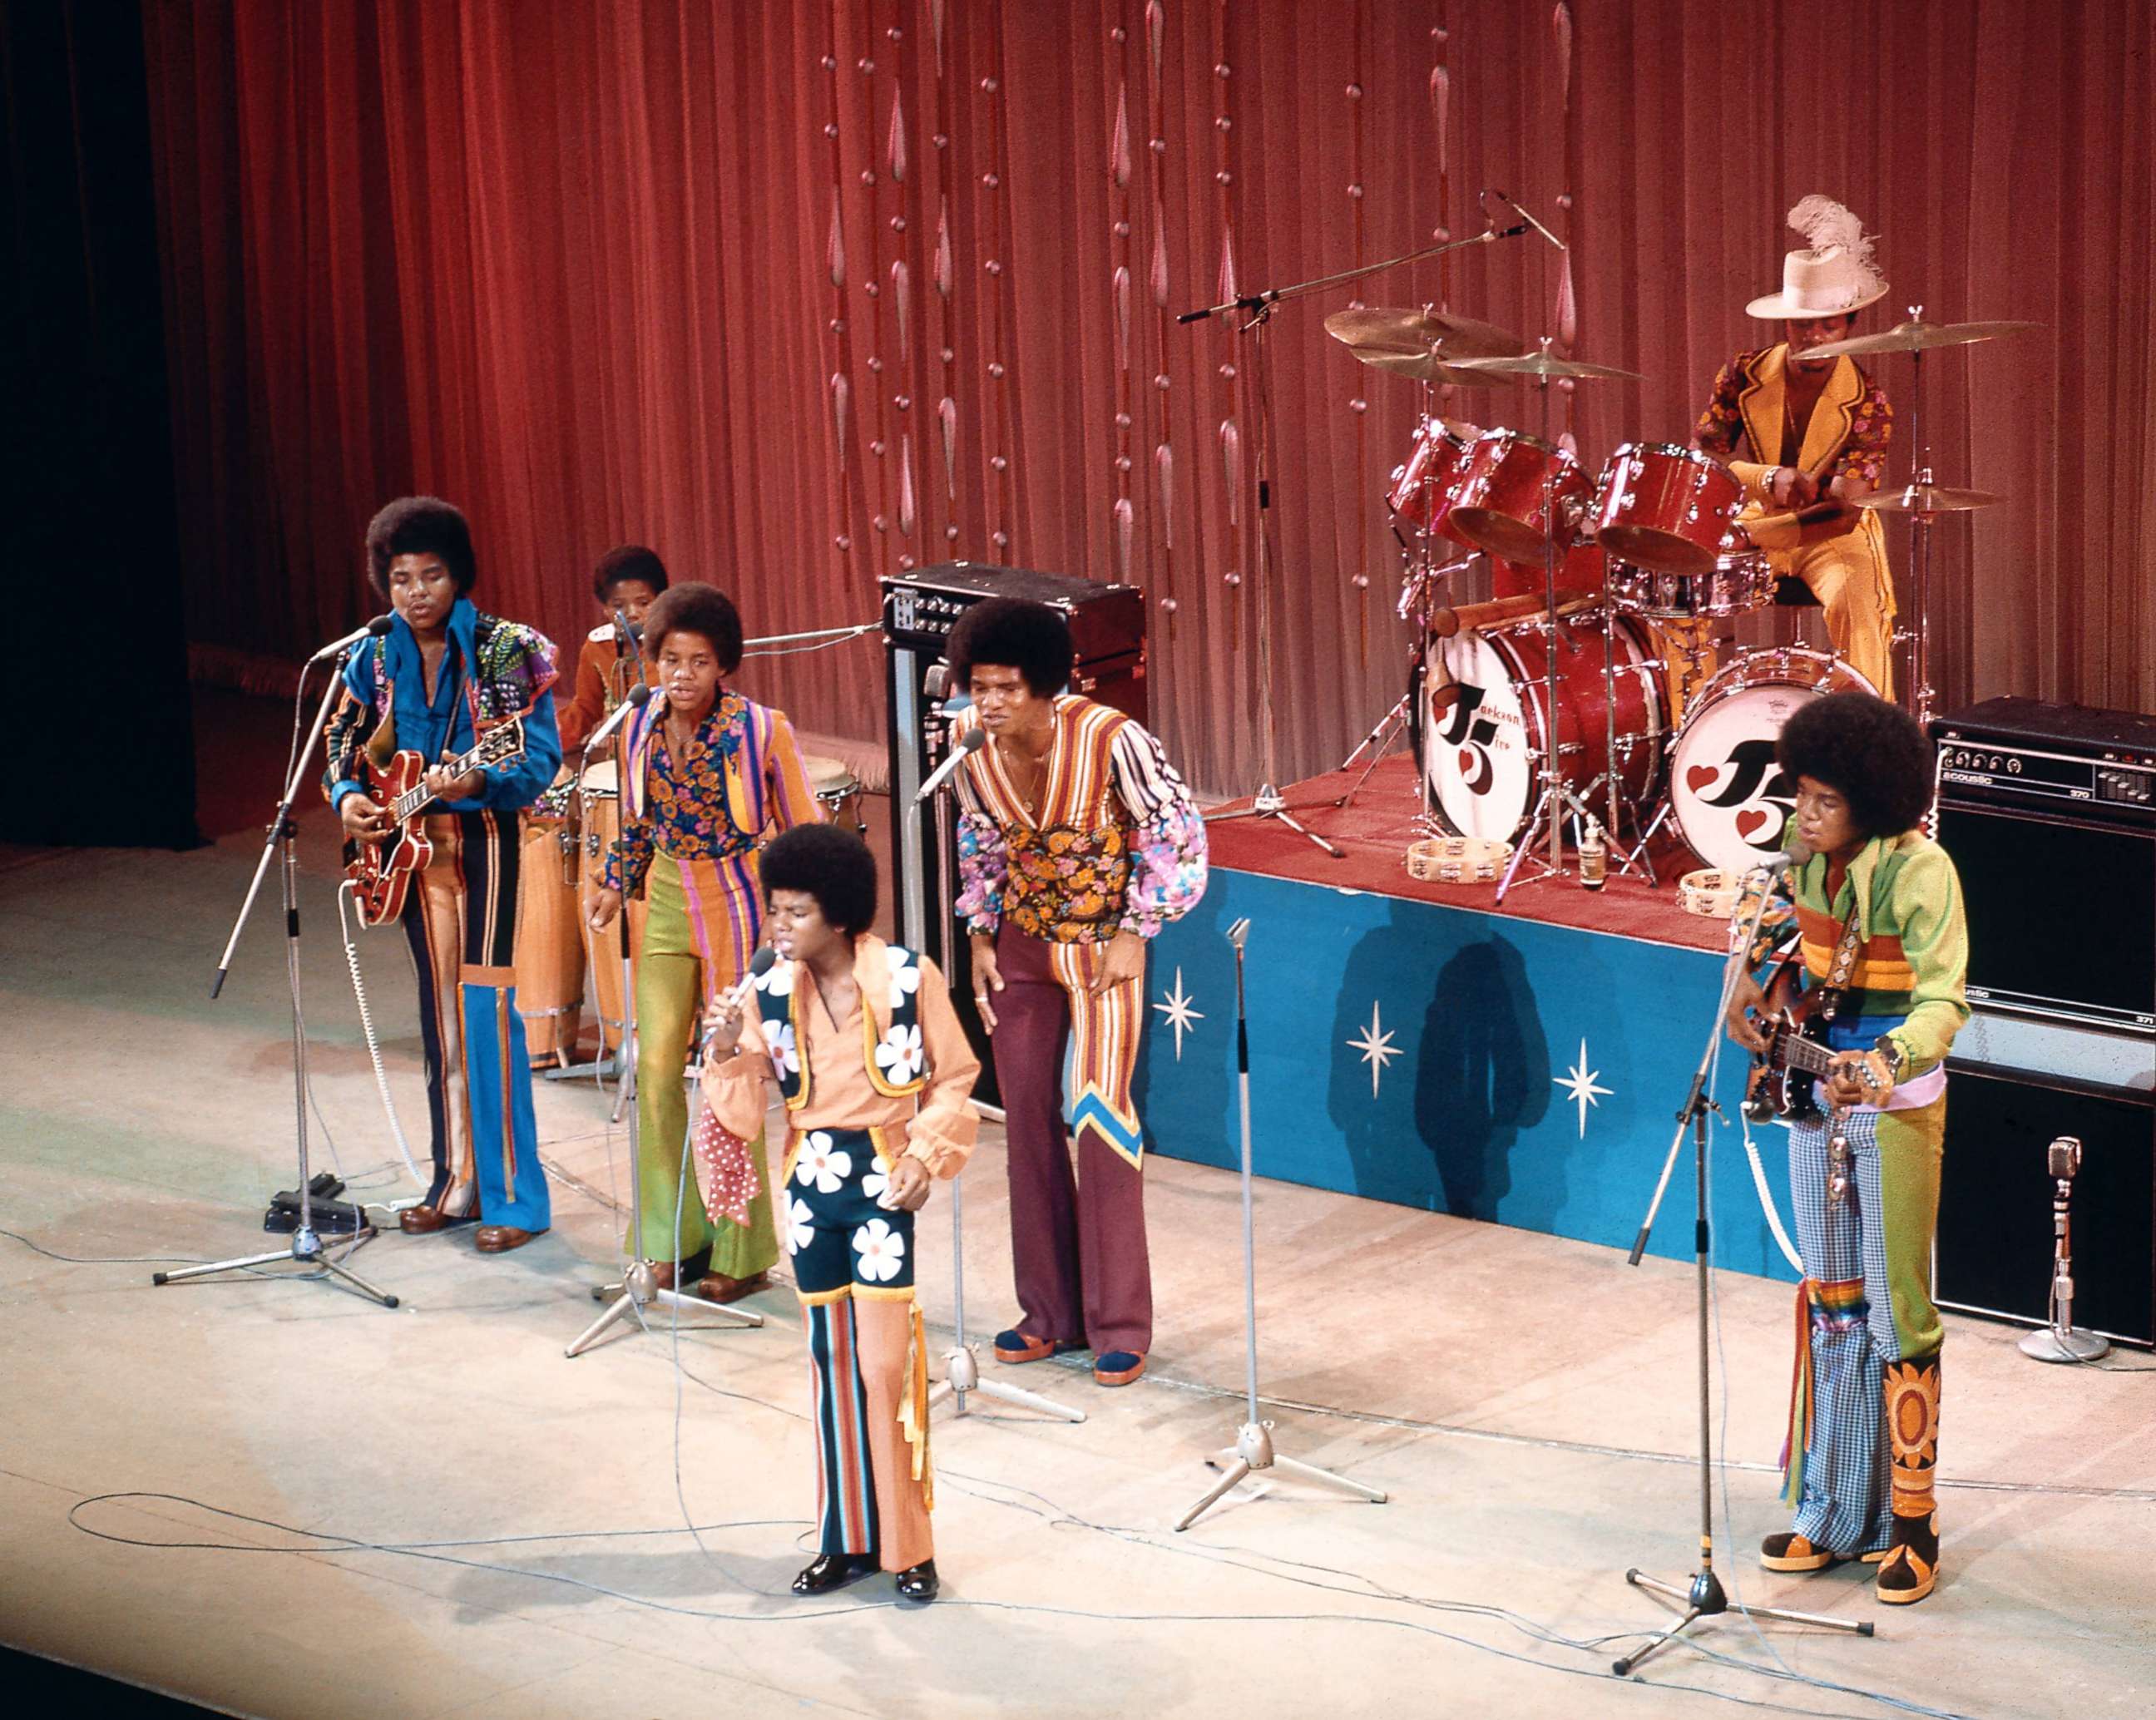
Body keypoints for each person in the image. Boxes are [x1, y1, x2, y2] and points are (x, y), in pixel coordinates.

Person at [1725, 691, 1967, 1605]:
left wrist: (1890, 1058)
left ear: (1873, 798)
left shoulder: (1922, 871)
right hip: (1818, 1100)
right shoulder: (1805, 870)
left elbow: (1946, 999)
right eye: (1803, 796)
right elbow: (1787, 970)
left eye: (1825, 800)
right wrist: (1753, 996)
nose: (1806, 813)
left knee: (1898, 1315)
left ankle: (1912, 1523)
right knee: (1832, 1305)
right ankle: (1835, 1511)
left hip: (1895, 1104)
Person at [700, 823, 977, 1604]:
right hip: (809, 1184)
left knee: (885, 1364)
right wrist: (725, 1045)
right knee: (829, 1364)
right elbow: (746, 1112)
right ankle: (844, 1540)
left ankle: (908, 1548)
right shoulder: (766, 992)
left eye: (796, 913)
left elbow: (955, 1077)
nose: (778, 927)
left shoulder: (908, 977)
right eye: (774, 911)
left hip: (884, 1179)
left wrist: (926, 1155)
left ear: (842, 915)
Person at [945, 597, 1208, 1387]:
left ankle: (1118, 1322)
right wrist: (981, 934)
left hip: (1104, 952)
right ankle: (1047, 1315)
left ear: (1046, 687)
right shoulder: (967, 748)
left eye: (1005, 689)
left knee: (1099, 1114)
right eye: (978, 687)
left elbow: (1177, 831)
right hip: (1022, 948)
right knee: (1023, 1119)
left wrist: (1139, 926)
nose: (988, 703)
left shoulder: (1111, 740)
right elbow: (979, 845)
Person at [325, 496, 561, 1253]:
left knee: (488, 1014)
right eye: (401, 578)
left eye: (431, 575)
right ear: (383, 583)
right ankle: (454, 1183)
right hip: (408, 859)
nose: (416, 592)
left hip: (486, 846)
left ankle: (516, 1201)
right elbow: (343, 743)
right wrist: (351, 795)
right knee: (441, 1021)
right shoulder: (370, 656)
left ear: (458, 576)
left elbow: (538, 757)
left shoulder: (507, 649)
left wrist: (478, 782)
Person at [588, 581, 820, 1300]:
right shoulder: (638, 724)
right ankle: (668, 1239)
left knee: (729, 1075)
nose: (681, 675)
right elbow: (635, 823)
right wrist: (609, 882)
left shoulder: (760, 729)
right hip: (662, 899)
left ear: (724, 666)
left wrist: (801, 922)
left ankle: (741, 1251)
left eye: (698, 661)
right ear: (650, 662)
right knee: (654, 1068)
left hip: (737, 902)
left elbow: (807, 830)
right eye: (668, 659)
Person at [1694, 195, 1898, 699]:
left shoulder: (1868, 398)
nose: (1815, 336)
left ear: (1851, 324)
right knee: (1679, 589)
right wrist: (1765, 478)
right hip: (1753, 520)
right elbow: (1705, 457)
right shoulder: (1743, 372)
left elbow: (1846, 509)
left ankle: (1868, 737)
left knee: (1860, 609)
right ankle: (1687, 724)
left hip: (1829, 536)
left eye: (1829, 324)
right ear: (1785, 323)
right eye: (1803, 324)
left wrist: (1761, 529)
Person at [552, 546, 670, 1064]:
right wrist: (541, 750)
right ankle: (630, 1025)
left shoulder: (678, 644)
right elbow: (583, 714)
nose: (634, 614)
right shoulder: (598, 649)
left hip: (670, 787)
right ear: (604, 609)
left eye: (645, 602)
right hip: (620, 789)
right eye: (621, 605)